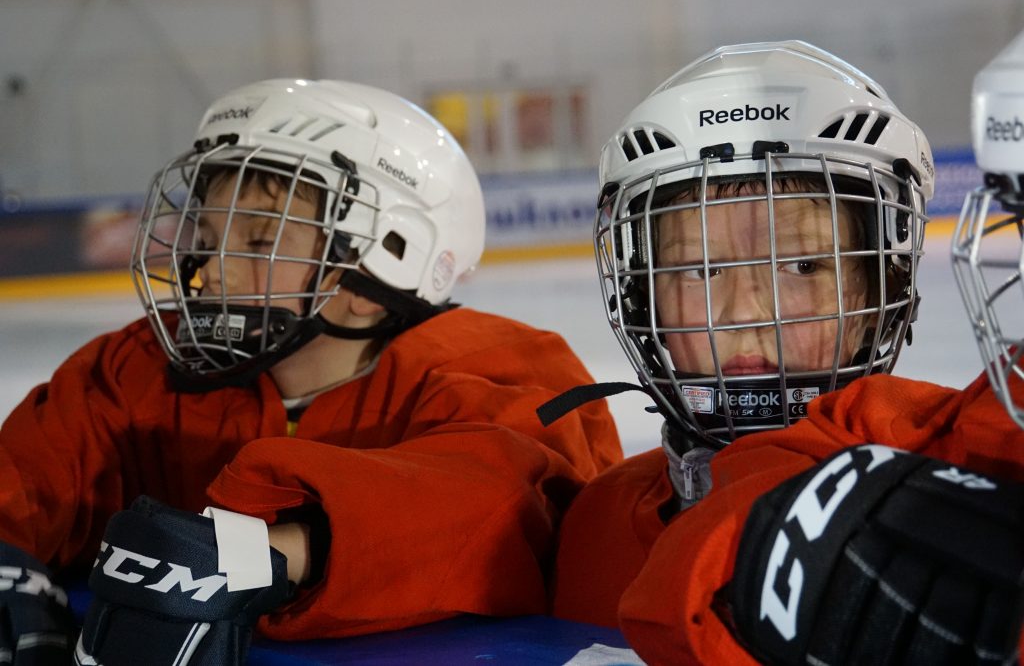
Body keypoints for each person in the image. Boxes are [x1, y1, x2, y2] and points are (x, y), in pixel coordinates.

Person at [0, 79, 621, 663]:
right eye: (209, 235)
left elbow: (508, 502)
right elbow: (28, 474)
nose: (211, 270)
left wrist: (273, 553)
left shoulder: (503, 368)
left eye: (259, 240)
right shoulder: (138, 370)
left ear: (376, 274)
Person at [546, 40, 1024, 665]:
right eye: (697, 270)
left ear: (882, 289)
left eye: (801, 264)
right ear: (642, 299)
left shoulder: (962, 481)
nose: (745, 312)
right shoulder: (592, 524)